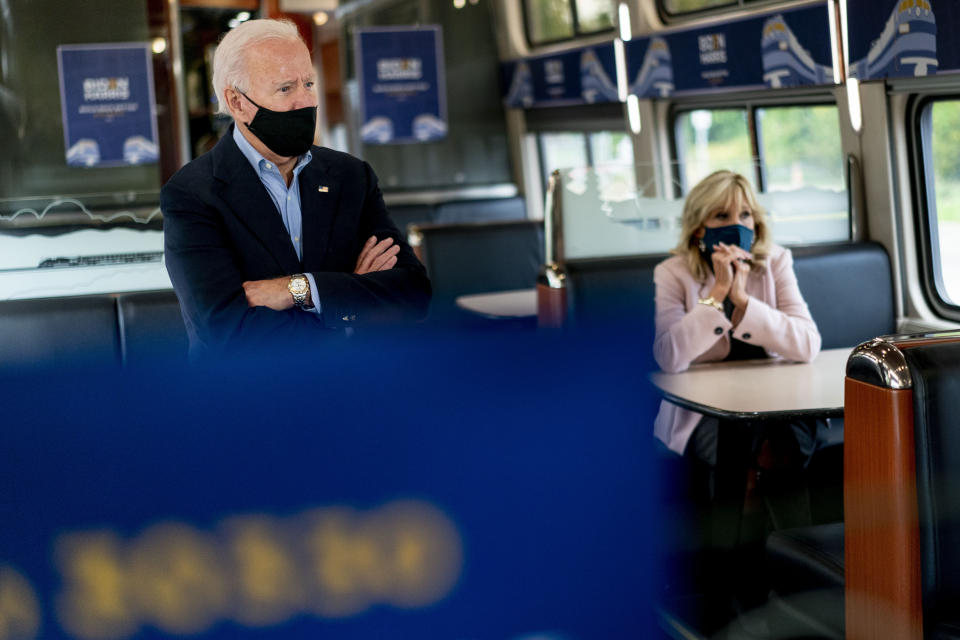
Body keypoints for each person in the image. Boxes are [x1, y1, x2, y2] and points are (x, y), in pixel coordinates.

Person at [162, 19, 430, 358]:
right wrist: (347, 307)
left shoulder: (350, 177)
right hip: (243, 403)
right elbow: (228, 332)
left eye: (308, 83)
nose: (304, 101)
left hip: (351, 395)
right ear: (238, 103)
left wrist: (297, 290)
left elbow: (412, 294)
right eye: (286, 88)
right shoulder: (192, 195)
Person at [652, 169, 821, 464]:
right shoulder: (672, 273)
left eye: (745, 215)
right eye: (721, 216)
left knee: (785, 440)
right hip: (705, 409)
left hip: (777, 399)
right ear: (699, 228)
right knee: (736, 442)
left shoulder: (775, 261)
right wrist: (718, 292)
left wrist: (743, 300)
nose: (737, 226)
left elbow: (807, 344)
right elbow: (667, 356)